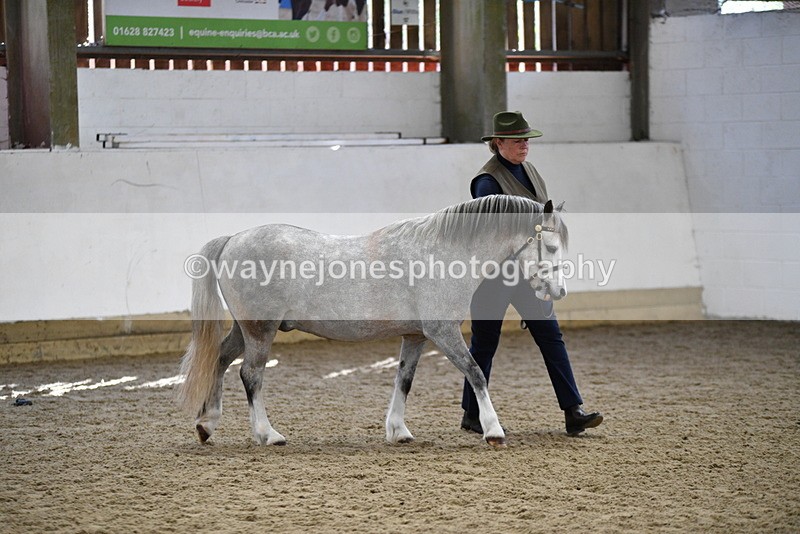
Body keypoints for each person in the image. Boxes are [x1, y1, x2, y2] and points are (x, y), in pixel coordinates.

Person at [461, 110, 604, 436]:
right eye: (517, 140)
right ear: (498, 143)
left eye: (526, 139)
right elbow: (494, 227)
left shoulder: (532, 171)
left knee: (551, 337)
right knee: (485, 344)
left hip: (531, 273)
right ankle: (471, 413)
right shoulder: (487, 181)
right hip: (496, 275)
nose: (524, 145)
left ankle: (573, 410)